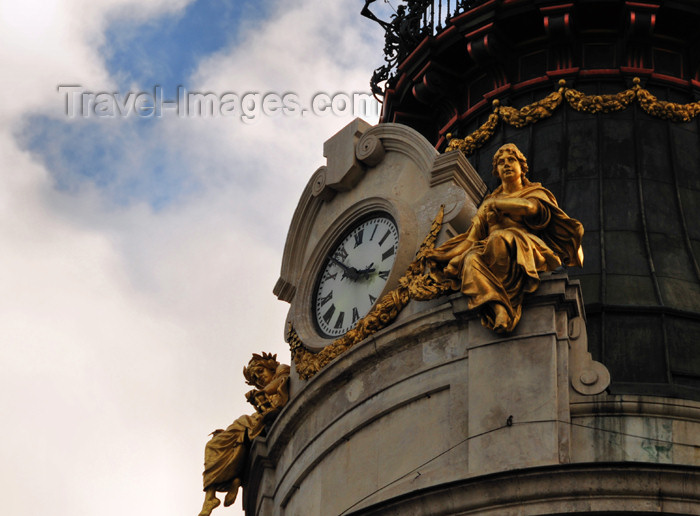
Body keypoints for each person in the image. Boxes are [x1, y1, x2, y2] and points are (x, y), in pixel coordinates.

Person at [425, 143, 584, 333]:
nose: (506, 164)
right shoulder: (488, 203)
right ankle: (499, 306)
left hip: (525, 247)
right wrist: (443, 255)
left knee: (499, 237)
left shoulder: (534, 192)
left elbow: (530, 208)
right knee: (470, 260)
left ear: (522, 167)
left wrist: (499, 204)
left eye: (511, 160)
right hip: (490, 251)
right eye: (501, 162)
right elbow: (471, 240)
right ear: (497, 171)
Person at [198, 353, 290, 516]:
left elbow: (284, 380)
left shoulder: (281, 369)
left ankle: (233, 480)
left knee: (239, 430)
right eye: (255, 377)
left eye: (260, 371)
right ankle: (211, 495)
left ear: (271, 367)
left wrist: (261, 393)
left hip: (266, 418)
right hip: (258, 420)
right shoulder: (263, 394)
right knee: (215, 443)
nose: (259, 378)